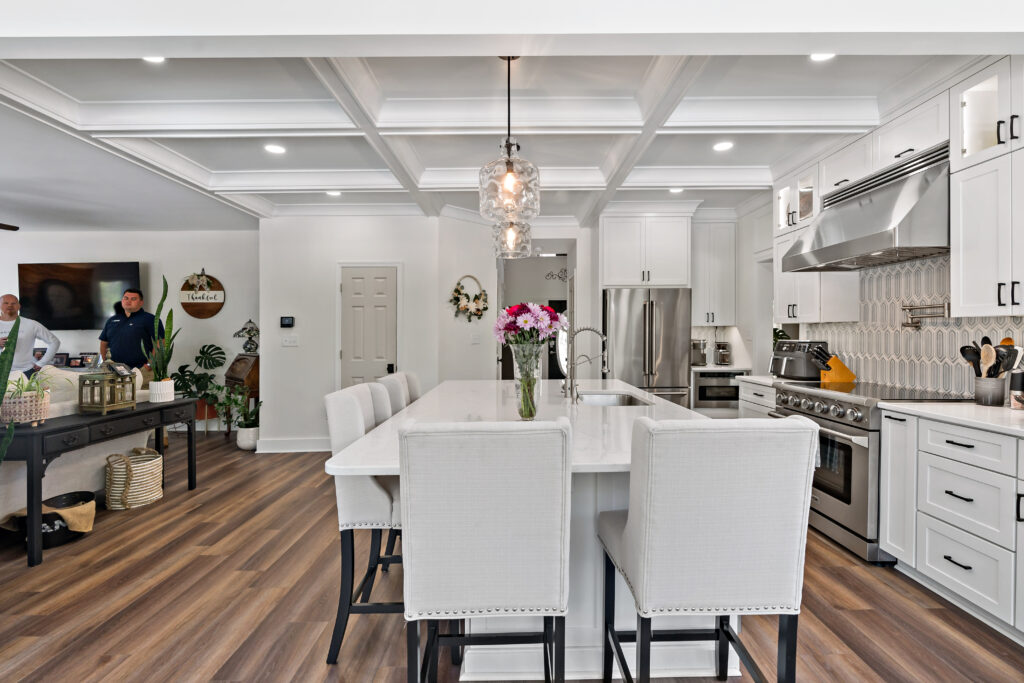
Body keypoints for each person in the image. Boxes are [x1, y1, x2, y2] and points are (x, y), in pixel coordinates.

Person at [99, 289, 160, 382]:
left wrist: (149, 365)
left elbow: (160, 343)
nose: (128, 301)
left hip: (141, 372)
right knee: (115, 396)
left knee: (142, 397)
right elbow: (103, 343)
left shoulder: (151, 319)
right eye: (126, 298)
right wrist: (106, 364)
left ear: (141, 302)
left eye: (133, 299)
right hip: (115, 372)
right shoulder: (112, 320)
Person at [0, 294, 61, 377]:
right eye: (6, 303)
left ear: (19, 306)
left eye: (13, 303)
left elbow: (54, 342)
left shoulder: (31, 324)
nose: (10, 305)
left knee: (30, 391)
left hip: (25, 372)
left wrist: (42, 363)